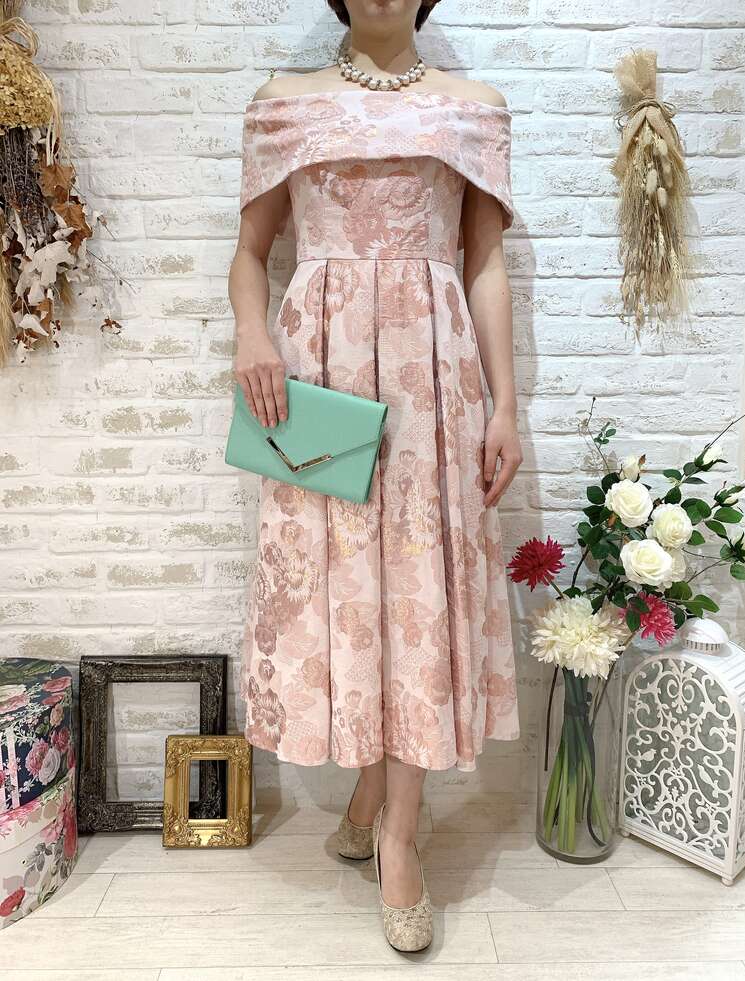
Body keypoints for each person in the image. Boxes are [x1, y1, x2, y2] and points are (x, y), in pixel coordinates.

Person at [228, 0, 522, 953]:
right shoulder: (287, 102)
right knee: (346, 587)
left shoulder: (471, 106)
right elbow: (251, 252)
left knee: (420, 591)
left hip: (434, 376)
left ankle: (399, 832)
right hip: (320, 372)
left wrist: (506, 403)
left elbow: (484, 260)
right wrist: (251, 334)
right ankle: (368, 794)